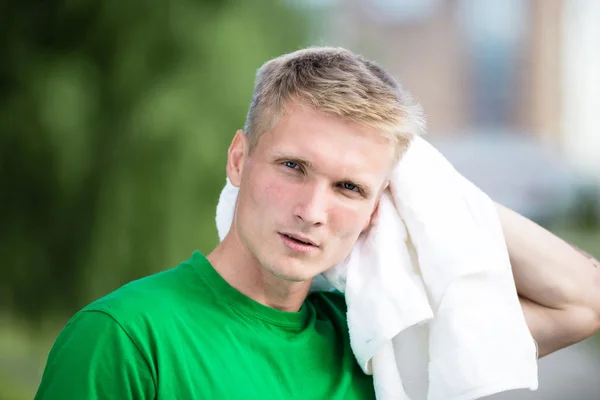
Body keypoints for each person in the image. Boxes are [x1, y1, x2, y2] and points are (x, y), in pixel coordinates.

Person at [34, 47, 600, 399]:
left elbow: (582, 302)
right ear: (239, 159)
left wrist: (438, 189)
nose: (312, 210)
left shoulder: (376, 343)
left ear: (381, 207)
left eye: (349, 187)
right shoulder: (126, 337)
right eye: (293, 166)